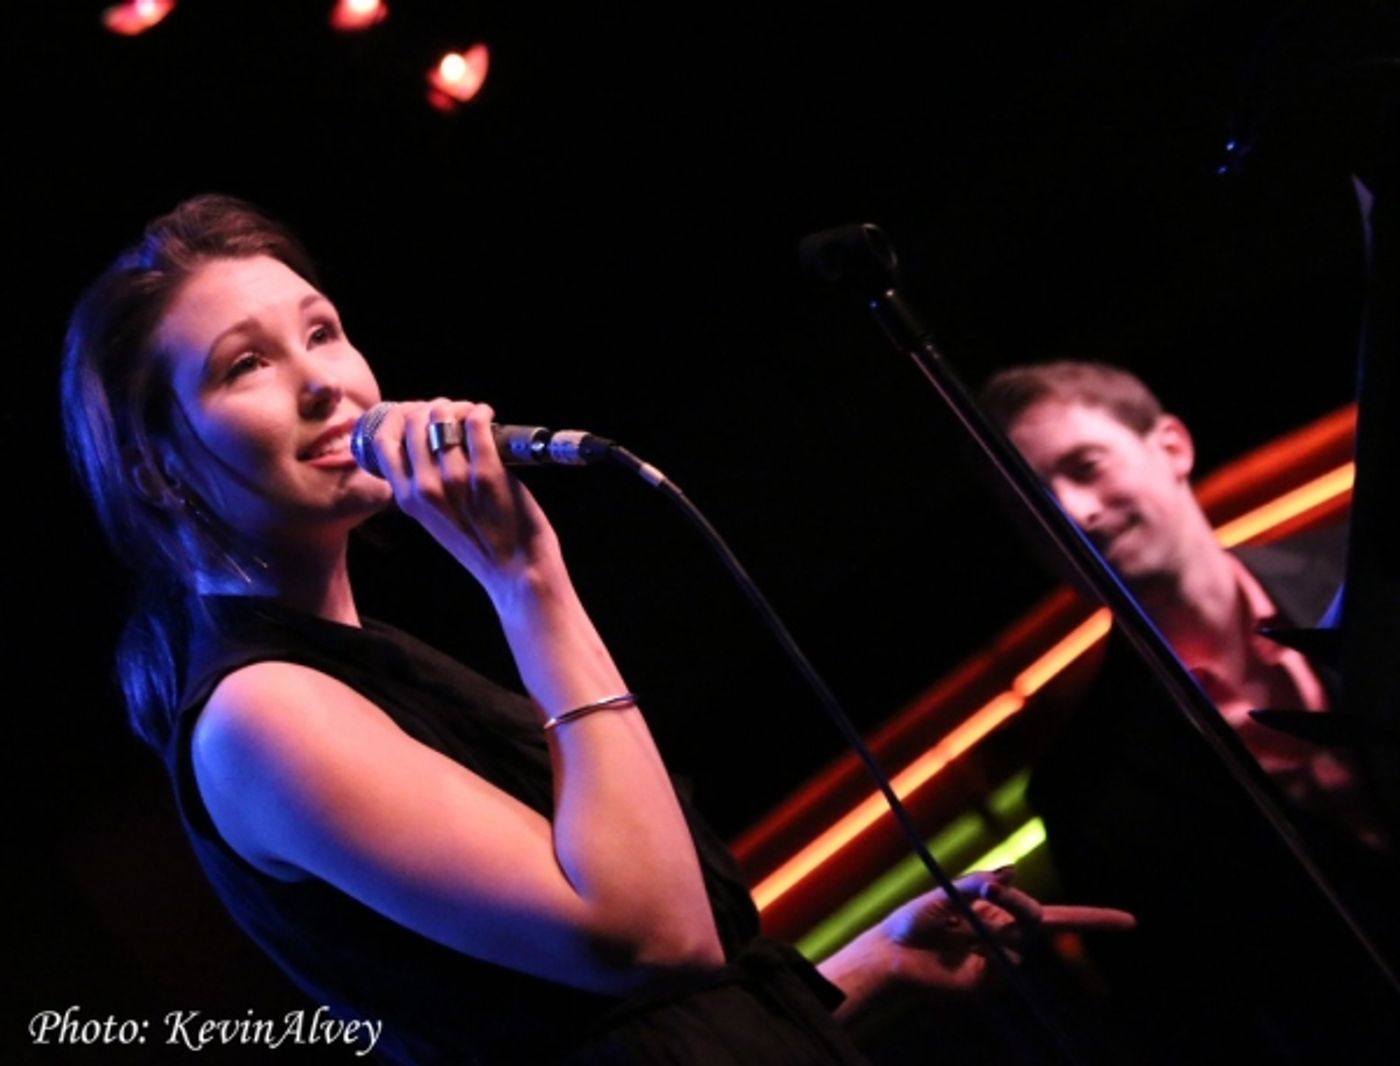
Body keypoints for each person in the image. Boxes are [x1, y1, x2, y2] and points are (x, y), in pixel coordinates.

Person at [60, 195, 1132, 1065]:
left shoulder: (360, 670)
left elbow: (608, 1028)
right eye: (247, 365)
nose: (325, 384)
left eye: (323, 332)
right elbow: (646, 938)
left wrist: (855, 969)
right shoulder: (259, 713)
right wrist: (528, 579)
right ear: (156, 465)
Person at [978, 360, 1398, 1063]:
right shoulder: (1084, 794)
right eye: (1033, 501)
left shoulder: (1377, 585)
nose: (1073, 512)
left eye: (1086, 465)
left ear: (1171, 445)